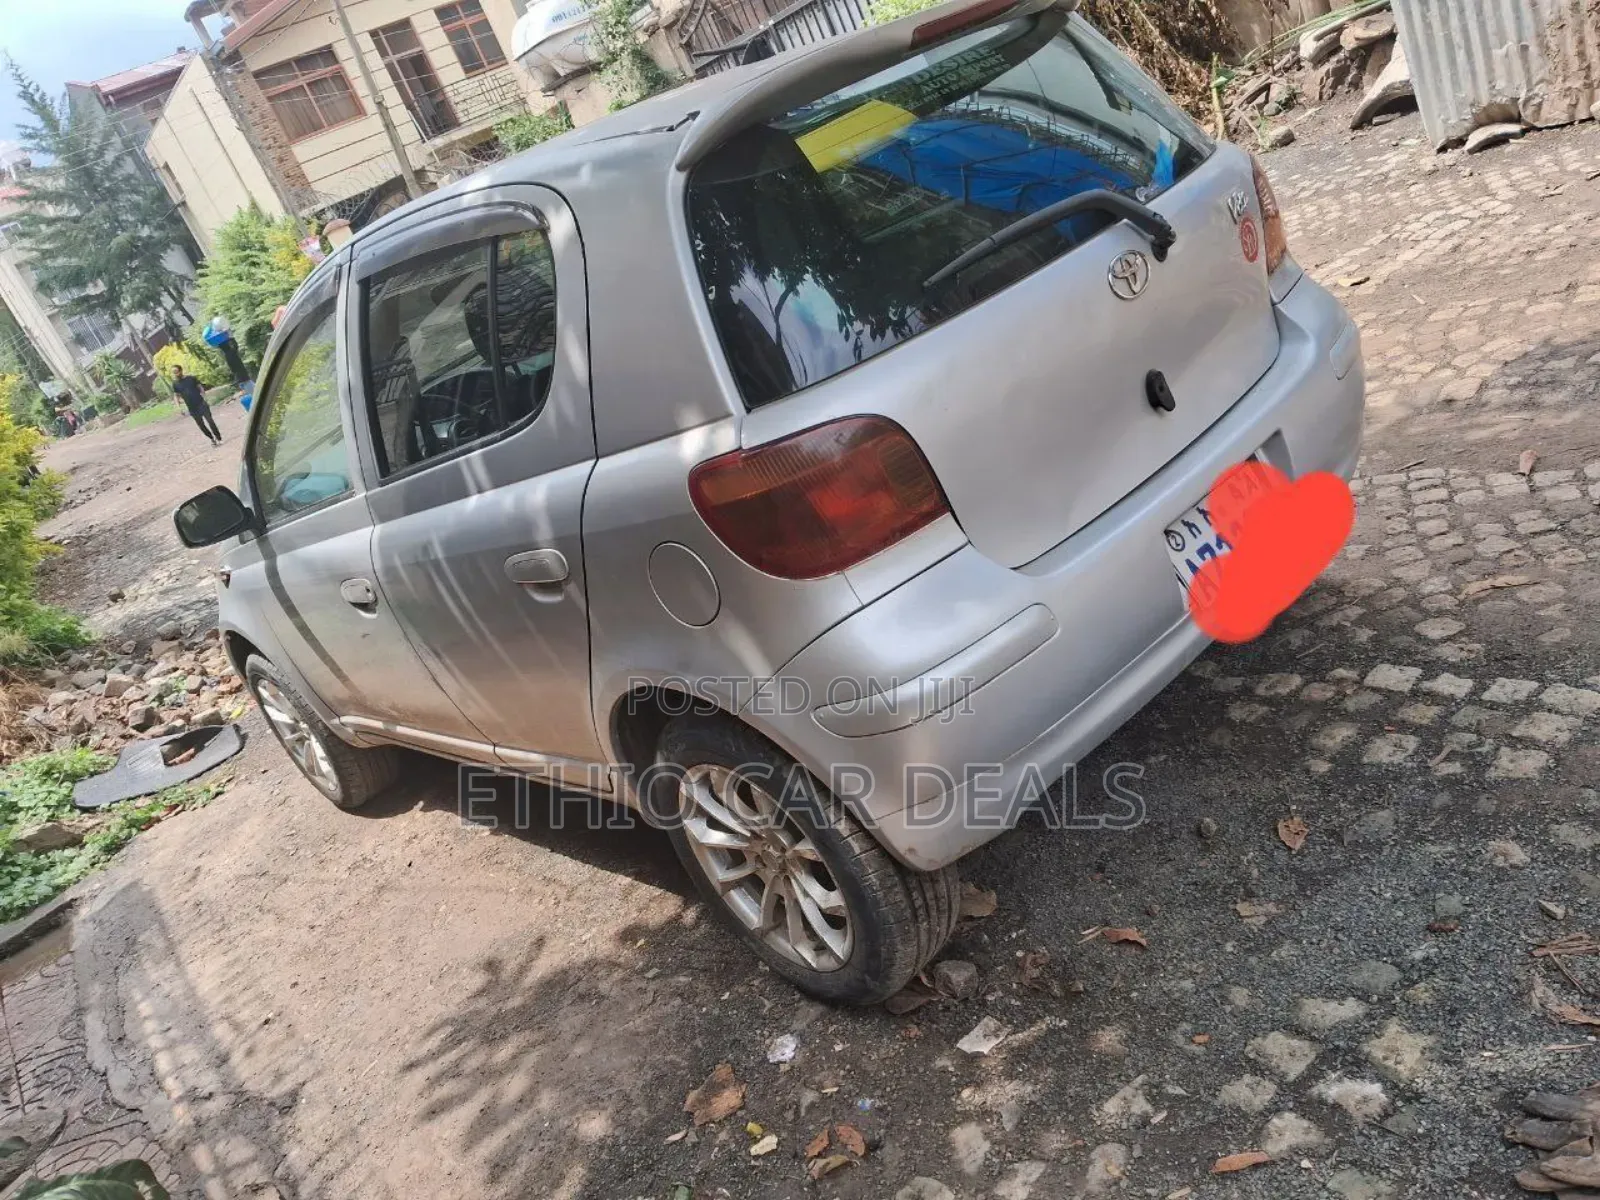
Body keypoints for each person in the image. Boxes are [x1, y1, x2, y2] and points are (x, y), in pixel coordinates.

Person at [171, 365, 221, 445]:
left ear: (181, 370)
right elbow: (176, 396)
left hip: (201, 403)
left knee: (210, 421)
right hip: (192, 408)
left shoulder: (191, 378)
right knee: (201, 425)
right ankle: (212, 438)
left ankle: (218, 437)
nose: (175, 374)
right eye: (174, 373)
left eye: (176, 372)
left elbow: (200, 387)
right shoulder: (175, 384)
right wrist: (179, 408)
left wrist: (205, 398)